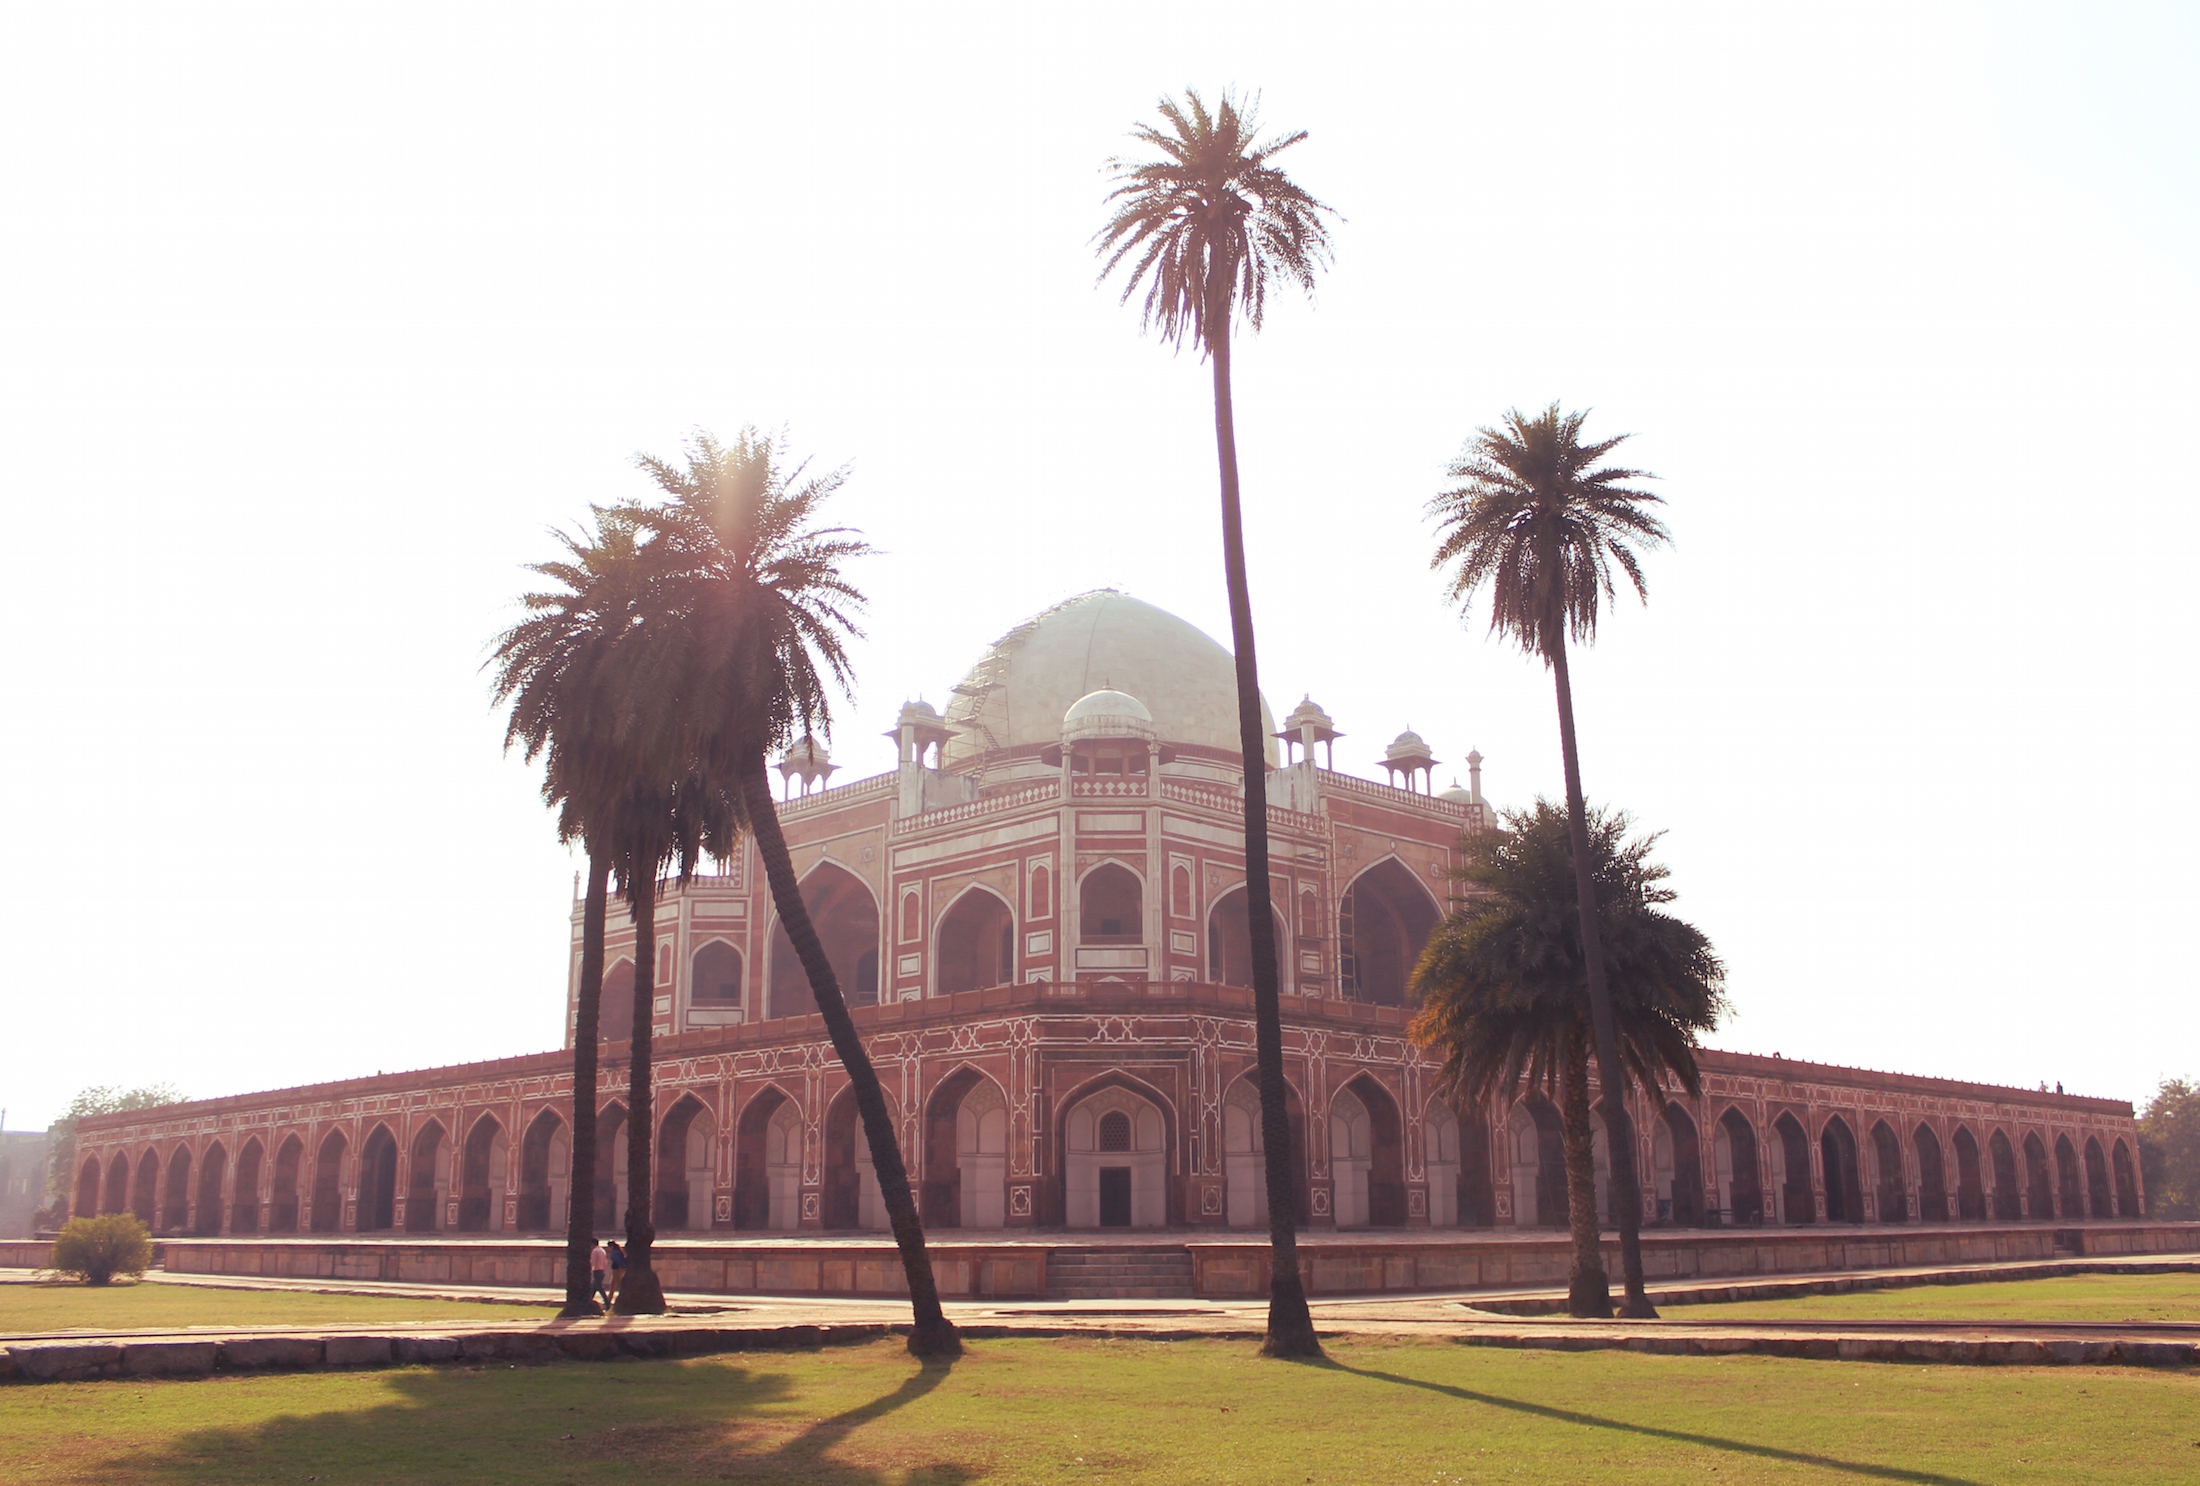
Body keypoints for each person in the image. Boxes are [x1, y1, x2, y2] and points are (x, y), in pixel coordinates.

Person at [589, 1239, 611, 1313]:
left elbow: (593, 1261)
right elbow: (605, 1261)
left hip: (597, 1271)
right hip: (601, 1270)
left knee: (600, 1288)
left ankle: (607, 1303)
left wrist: (590, 1269)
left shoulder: (595, 1251)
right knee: (594, 1288)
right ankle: (589, 1300)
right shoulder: (602, 1250)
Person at [606, 1239, 626, 1308]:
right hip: (618, 1269)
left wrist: (622, 1266)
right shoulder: (619, 1251)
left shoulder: (614, 1253)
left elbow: (617, 1261)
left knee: (618, 1284)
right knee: (613, 1284)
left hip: (616, 1270)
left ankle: (622, 1298)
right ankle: (608, 1300)